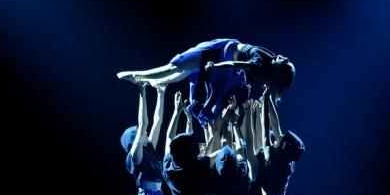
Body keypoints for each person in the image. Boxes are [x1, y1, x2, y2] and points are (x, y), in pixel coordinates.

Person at [117, 39, 295, 127]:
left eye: (285, 62)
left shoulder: (260, 63)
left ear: (279, 70)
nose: (285, 57)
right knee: (186, 70)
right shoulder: (271, 61)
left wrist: (215, 65)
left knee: (178, 65)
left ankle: (138, 76)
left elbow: (235, 63)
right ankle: (159, 83)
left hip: (222, 55)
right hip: (226, 59)